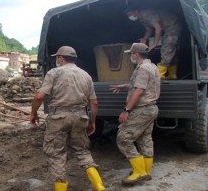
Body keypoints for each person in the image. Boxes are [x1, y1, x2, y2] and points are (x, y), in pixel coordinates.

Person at [30, 46, 105, 191]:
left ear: (61, 58)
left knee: (57, 153)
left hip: (59, 117)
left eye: (57, 57)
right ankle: (99, 186)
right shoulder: (86, 75)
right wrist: (92, 121)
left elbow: (39, 96)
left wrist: (33, 113)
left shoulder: (54, 73)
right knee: (82, 151)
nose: (56, 60)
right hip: (80, 116)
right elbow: (94, 102)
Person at [109, 43, 160, 186]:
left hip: (141, 110)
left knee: (123, 139)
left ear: (136, 54)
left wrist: (126, 110)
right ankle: (146, 171)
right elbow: (144, 85)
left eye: (131, 53)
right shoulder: (152, 66)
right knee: (145, 139)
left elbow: (139, 91)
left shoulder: (142, 68)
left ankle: (139, 172)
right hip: (151, 108)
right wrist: (126, 86)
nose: (130, 56)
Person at [125, 6, 182, 79]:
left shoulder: (146, 14)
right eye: (128, 15)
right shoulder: (142, 19)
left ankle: (159, 76)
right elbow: (149, 30)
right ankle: (172, 75)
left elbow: (158, 28)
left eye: (130, 14)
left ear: (136, 11)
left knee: (167, 49)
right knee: (171, 51)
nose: (129, 17)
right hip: (168, 28)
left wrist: (154, 44)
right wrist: (144, 38)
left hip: (173, 25)